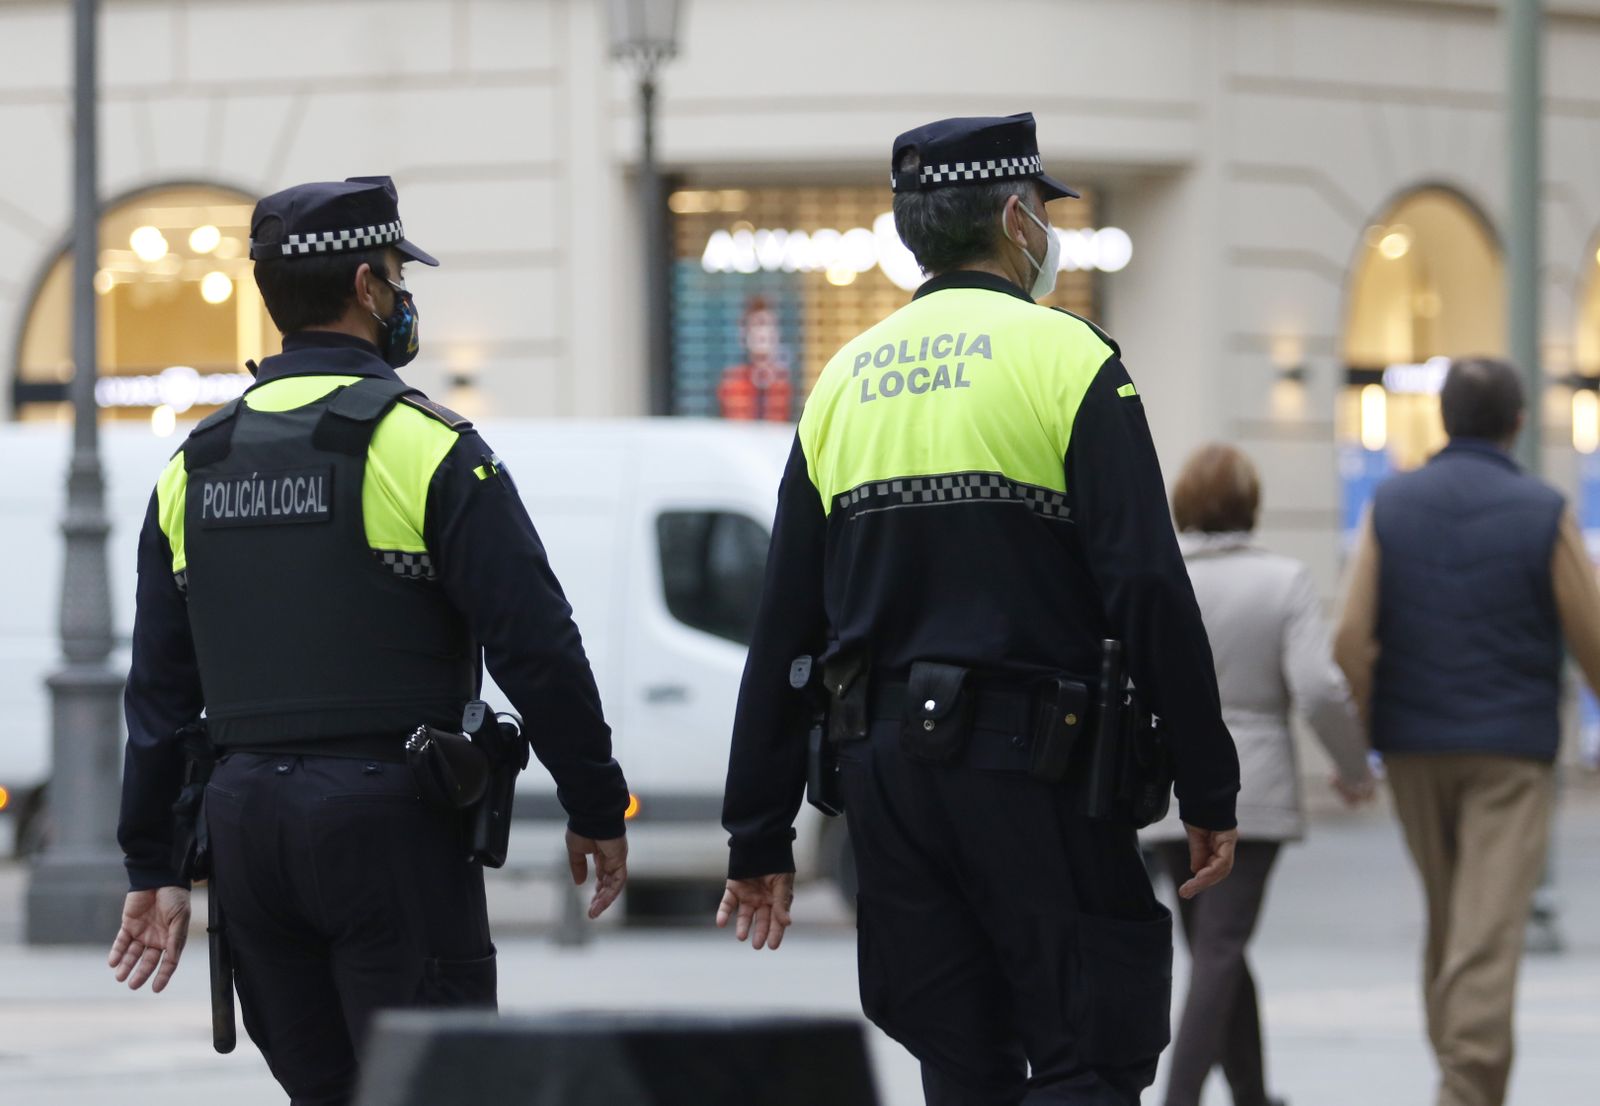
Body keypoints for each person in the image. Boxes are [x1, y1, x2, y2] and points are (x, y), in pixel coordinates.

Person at [716, 112, 1242, 1105]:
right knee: (1088, 1050)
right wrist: (1208, 785)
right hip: (1041, 772)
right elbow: (1144, 585)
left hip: (889, 787)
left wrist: (758, 832)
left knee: (960, 1058)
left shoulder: (840, 383)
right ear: (1014, 217)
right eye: (1044, 212)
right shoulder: (1067, 359)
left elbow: (785, 625)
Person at [108, 176, 632, 1105]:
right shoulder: (426, 446)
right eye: (396, 275)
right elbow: (535, 643)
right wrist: (595, 802)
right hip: (391, 823)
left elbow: (157, 690)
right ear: (364, 285)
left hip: (246, 835)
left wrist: (155, 862)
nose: (402, 295)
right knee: (437, 1089)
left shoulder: (194, 465)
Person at [1334, 358, 1600, 1106]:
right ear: (1517, 424)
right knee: (1484, 934)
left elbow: (1352, 637)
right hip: (1510, 751)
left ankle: (1461, 1076)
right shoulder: (1544, 510)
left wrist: (1355, 749)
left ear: (1444, 419)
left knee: (1453, 921)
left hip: (1414, 747)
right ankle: (1465, 1088)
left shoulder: (1391, 505)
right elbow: (1592, 637)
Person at [1143, 443, 1374, 1106]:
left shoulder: (1158, 574)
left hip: (1165, 785)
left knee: (1216, 950)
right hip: (1254, 788)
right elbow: (1320, 688)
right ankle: (1180, 1098)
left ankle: (1252, 1094)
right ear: (1250, 504)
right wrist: (1354, 768)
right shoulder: (1282, 580)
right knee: (1220, 952)